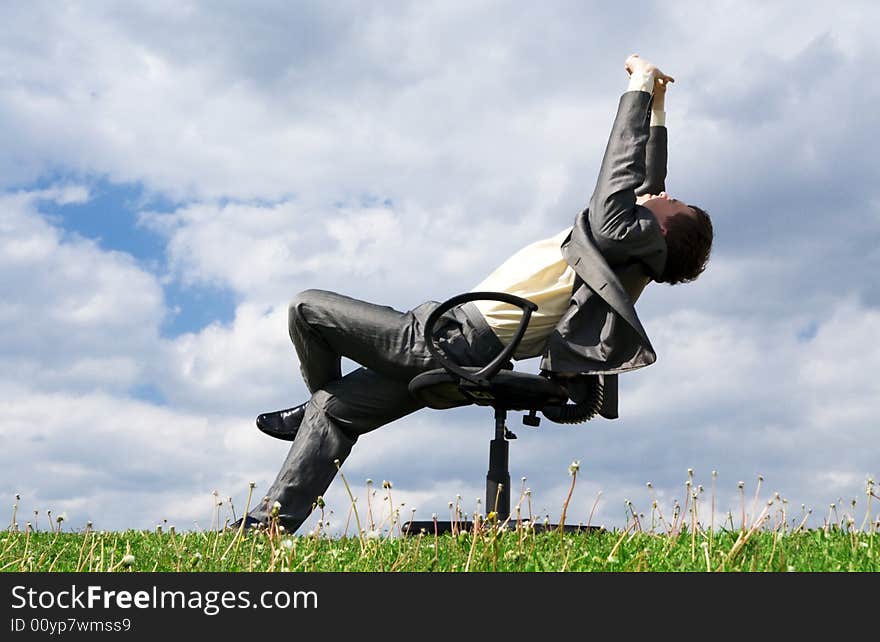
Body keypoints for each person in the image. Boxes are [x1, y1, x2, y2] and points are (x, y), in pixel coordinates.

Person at [238, 54, 713, 533]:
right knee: (335, 414)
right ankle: (264, 529)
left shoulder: (621, 238)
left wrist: (636, 86)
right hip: (462, 349)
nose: (659, 195)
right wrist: (657, 105)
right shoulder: (630, 258)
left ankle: (315, 397)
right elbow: (647, 180)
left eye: (671, 202)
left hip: (455, 339)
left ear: (666, 230)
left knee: (307, 308)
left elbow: (618, 191)